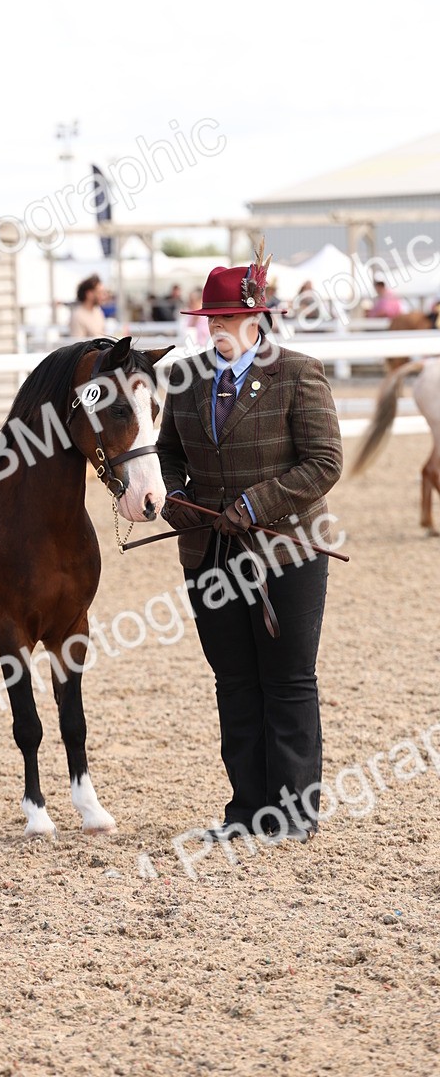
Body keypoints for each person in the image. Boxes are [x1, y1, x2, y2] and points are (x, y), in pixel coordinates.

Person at [157, 249, 343, 845]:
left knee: (287, 680)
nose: (215, 329)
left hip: (287, 551)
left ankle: (292, 815)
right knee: (234, 682)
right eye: (209, 320)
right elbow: (168, 455)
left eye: (225, 320)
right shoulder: (184, 379)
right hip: (208, 553)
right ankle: (247, 812)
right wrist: (177, 494)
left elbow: (324, 462)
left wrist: (256, 505)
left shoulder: (298, 372)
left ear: (254, 320)